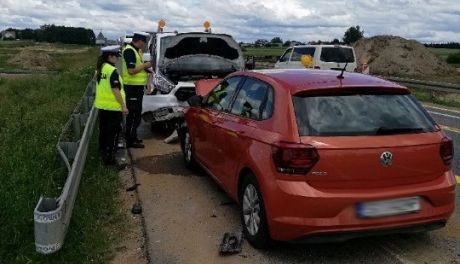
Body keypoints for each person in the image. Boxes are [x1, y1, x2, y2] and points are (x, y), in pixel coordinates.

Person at [94, 45, 128, 165]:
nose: (117, 59)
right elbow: (115, 90)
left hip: (102, 106)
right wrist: (123, 105)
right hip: (113, 107)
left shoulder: (101, 67)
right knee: (112, 134)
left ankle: (103, 154)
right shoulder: (112, 70)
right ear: (110, 56)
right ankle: (110, 160)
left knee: (104, 132)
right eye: (116, 56)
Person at [122, 32, 152, 148]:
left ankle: (133, 137)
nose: (144, 45)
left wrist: (146, 69)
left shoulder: (136, 51)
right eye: (143, 42)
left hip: (136, 88)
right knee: (133, 115)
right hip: (132, 88)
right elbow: (131, 71)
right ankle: (130, 141)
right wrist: (145, 66)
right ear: (139, 40)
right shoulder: (129, 51)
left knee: (136, 114)